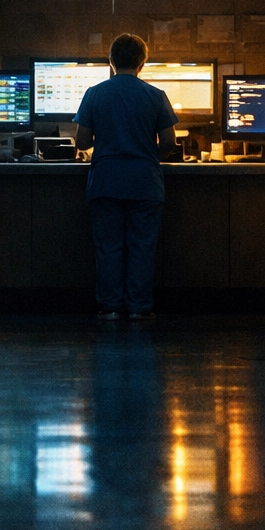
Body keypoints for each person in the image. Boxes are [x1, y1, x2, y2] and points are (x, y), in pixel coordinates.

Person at [74, 33, 177, 321]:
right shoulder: (155, 96)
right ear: (143, 62)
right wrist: (149, 154)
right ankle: (139, 308)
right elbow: (169, 142)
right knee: (142, 247)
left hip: (105, 181)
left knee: (108, 247)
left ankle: (109, 307)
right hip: (145, 182)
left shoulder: (94, 93)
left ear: (111, 61)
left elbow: (82, 142)